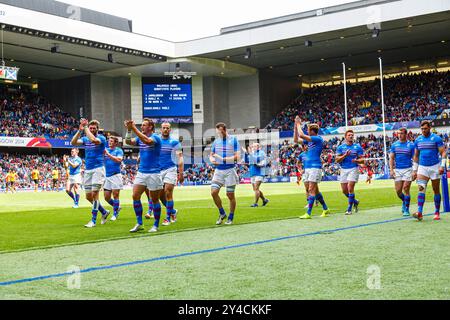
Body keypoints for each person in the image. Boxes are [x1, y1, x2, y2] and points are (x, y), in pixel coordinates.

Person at [124, 118, 163, 233]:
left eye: (144, 125)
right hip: (142, 172)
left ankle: (156, 225)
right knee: (135, 196)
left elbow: (147, 141)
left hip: (154, 173)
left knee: (155, 199)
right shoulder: (139, 138)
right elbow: (127, 142)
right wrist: (129, 130)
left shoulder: (156, 137)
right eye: (142, 125)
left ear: (150, 127)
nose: (142, 127)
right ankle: (139, 223)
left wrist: (134, 128)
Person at [71, 119, 110, 228]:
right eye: (91, 128)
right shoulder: (85, 138)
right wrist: (80, 130)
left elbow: (93, 139)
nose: (92, 129)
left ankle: (93, 220)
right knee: (88, 197)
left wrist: (86, 127)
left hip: (98, 169)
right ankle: (104, 212)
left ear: (97, 129)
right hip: (88, 169)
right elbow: (73, 142)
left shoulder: (101, 138)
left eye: (94, 128)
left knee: (95, 194)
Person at [294, 116, 330, 219]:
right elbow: (296, 139)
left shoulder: (317, 138)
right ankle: (325, 208)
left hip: (315, 166)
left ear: (312, 131)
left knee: (311, 189)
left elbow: (301, 135)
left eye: (308, 130)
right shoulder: (309, 141)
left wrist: (298, 123)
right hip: (308, 167)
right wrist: (295, 127)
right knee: (316, 190)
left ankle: (308, 213)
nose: (307, 131)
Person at [412, 120, 446, 221]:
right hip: (422, 167)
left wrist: (442, 166)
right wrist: (414, 170)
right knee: (421, 189)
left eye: (425, 128)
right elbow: (416, 156)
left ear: (429, 128)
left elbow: (443, 153)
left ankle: (436, 212)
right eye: (422, 129)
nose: (423, 130)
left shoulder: (436, 138)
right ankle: (420, 212)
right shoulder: (418, 140)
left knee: (436, 190)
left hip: (435, 166)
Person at [209, 122, 240, 225]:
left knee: (230, 195)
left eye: (221, 131)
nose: (219, 133)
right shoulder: (216, 142)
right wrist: (212, 160)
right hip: (218, 170)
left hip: (230, 170)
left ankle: (230, 216)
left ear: (225, 130)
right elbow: (211, 155)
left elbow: (237, 156)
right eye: (218, 132)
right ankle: (222, 213)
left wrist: (227, 159)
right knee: (213, 192)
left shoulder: (233, 140)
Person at [159, 122, 184, 226]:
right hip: (158, 170)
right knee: (160, 196)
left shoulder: (175, 142)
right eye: (164, 128)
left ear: (170, 130)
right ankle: (173, 211)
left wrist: (181, 173)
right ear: (161, 129)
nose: (165, 129)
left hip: (170, 169)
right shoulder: (156, 141)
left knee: (168, 192)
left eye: (167, 128)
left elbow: (180, 158)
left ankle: (168, 218)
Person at [335, 130, 365, 215]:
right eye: (349, 135)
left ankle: (349, 209)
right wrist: (345, 155)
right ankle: (355, 201)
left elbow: (362, 160)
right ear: (345, 137)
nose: (351, 136)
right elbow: (337, 160)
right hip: (343, 169)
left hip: (353, 168)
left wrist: (357, 160)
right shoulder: (340, 147)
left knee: (350, 188)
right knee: (344, 191)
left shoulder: (357, 147)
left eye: (352, 135)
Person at [389, 128, 415, 216]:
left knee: (406, 188)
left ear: (406, 134)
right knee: (398, 191)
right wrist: (391, 170)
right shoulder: (394, 145)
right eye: (398, 133)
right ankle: (404, 201)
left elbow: (415, 158)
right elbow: (391, 158)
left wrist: (415, 171)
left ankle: (407, 209)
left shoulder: (411, 145)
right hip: (398, 170)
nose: (400, 135)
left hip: (408, 169)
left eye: (402, 133)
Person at [103, 136, 124, 221]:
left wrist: (108, 154)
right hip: (107, 176)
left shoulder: (118, 150)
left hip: (116, 175)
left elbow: (119, 160)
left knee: (115, 195)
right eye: (109, 141)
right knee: (106, 197)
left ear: (116, 143)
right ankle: (117, 207)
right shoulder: (106, 150)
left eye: (112, 141)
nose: (110, 142)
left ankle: (115, 214)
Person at [245, 143, 269, 207]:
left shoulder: (261, 153)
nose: (253, 147)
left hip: (259, 173)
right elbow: (247, 160)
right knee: (255, 189)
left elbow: (257, 159)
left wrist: (250, 153)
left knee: (256, 188)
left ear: (258, 147)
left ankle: (255, 203)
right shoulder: (252, 153)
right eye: (253, 146)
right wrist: (246, 153)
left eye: (254, 146)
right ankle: (264, 200)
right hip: (252, 173)